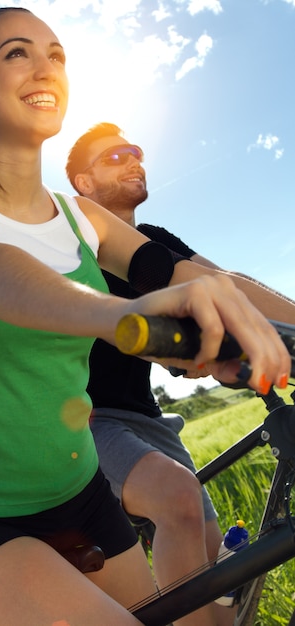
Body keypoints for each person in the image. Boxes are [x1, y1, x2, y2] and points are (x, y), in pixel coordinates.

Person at [0, 10, 290, 626]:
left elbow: (203, 278)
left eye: (57, 54)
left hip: (80, 494)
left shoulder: (84, 219)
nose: (46, 66)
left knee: (199, 619)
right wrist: (123, 314)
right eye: (18, 53)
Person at [65, 122, 295, 626]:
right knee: (177, 499)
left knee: (216, 579)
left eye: (136, 152)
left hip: (147, 420)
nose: (133, 161)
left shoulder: (152, 241)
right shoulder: (71, 244)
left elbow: (223, 283)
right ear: (82, 183)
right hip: (83, 419)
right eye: (115, 157)